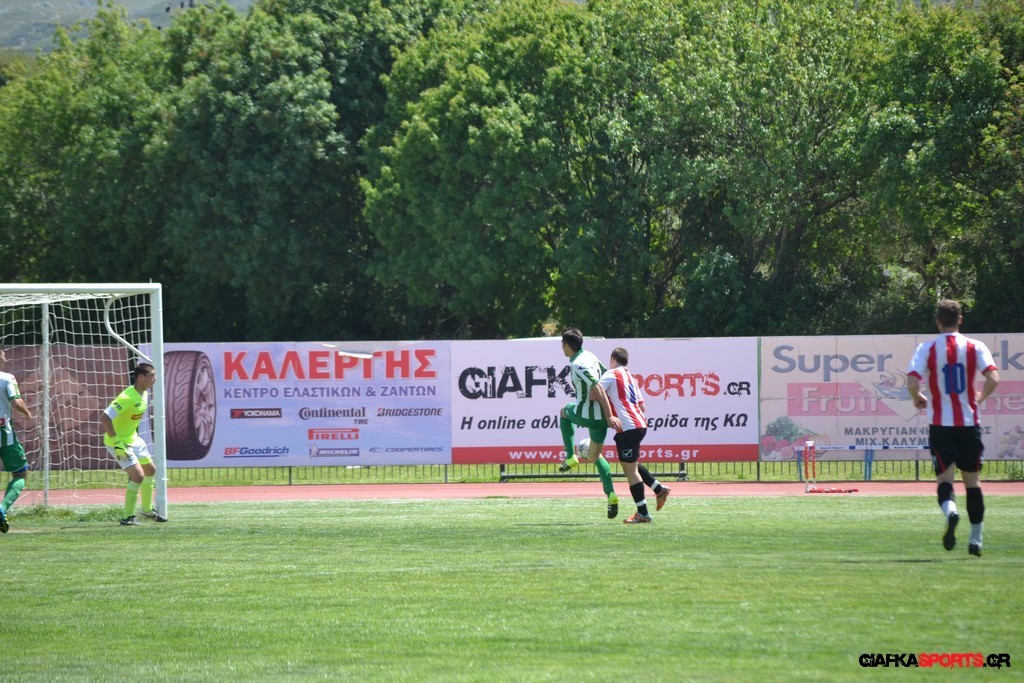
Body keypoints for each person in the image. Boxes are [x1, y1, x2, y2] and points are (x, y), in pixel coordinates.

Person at [907, 299, 999, 557]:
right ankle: (976, 539)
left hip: (940, 425)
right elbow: (993, 377)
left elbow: (912, 381)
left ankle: (951, 512)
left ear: (937, 321)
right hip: (969, 424)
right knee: (973, 483)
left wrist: (917, 398)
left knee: (945, 480)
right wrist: (979, 398)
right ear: (960, 319)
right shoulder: (974, 346)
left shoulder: (926, 348)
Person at [590, 347, 671, 524]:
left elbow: (594, 394)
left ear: (613, 359)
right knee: (630, 464)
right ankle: (658, 489)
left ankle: (643, 513)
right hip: (640, 425)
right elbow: (642, 407)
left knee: (630, 470)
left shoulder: (612, 374)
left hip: (627, 427)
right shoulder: (631, 378)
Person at [556, 328, 620, 519]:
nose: (561, 347)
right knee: (596, 455)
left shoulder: (578, 365)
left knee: (564, 412)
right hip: (600, 420)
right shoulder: (590, 356)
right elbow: (607, 375)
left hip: (586, 413)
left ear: (567, 345)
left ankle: (571, 456)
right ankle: (611, 495)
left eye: (562, 343)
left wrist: (610, 414)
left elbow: (598, 386)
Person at [101, 362, 167, 525]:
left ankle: (146, 510)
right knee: (138, 476)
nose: (155, 378)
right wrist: (117, 442)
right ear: (141, 377)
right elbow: (105, 417)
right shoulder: (127, 397)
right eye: (152, 376)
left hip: (133, 438)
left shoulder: (144, 394)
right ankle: (127, 517)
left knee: (150, 470)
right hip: (118, 441)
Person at [0, 347, 32, 534]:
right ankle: (2, 508)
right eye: (3, 353)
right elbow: (16, 401)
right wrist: (27, 413)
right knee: (20, 474)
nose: (6, 357)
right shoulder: (7, 378)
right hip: (4, 432)